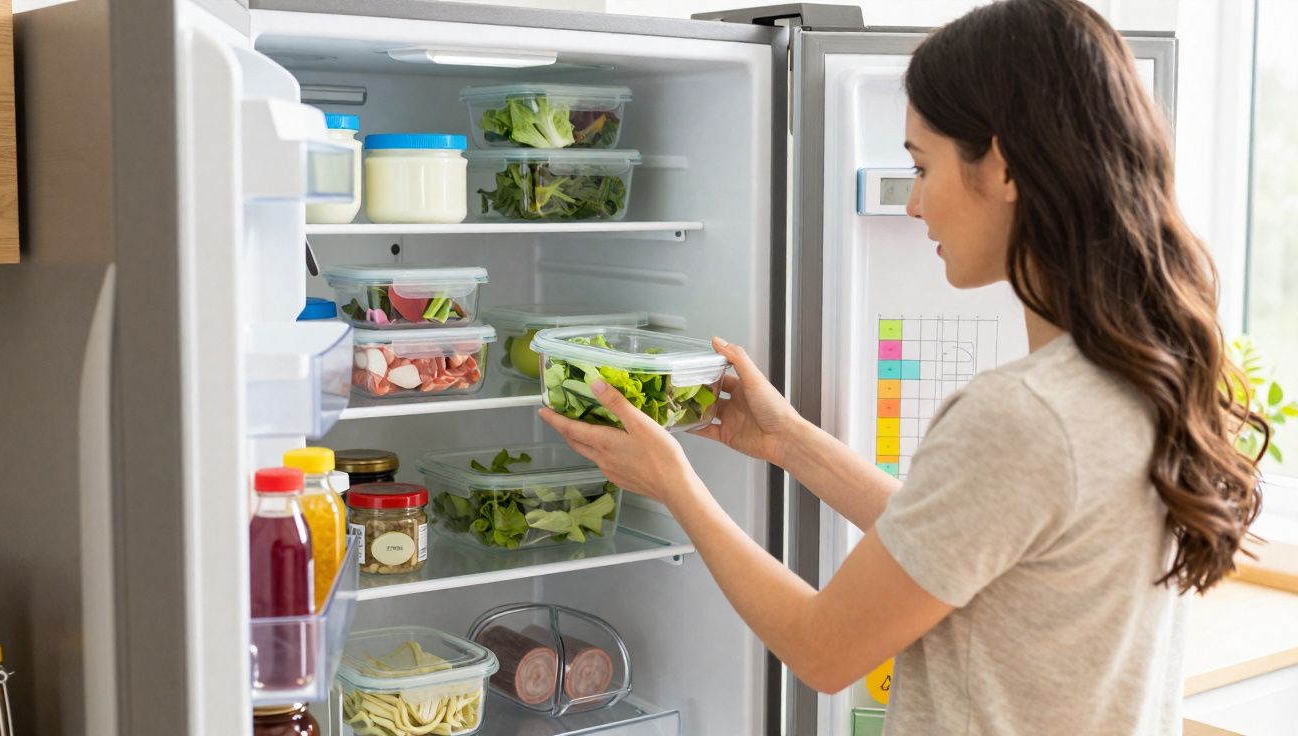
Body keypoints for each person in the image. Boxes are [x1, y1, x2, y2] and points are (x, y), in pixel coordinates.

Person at [540, 0, 1268, 732]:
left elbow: (823, 649)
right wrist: (789, 441)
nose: (914, 204)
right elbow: (968, 541)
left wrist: (675, 485)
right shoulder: (1144, 370)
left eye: (922, 167)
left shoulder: (1023, 413)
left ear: (1006, 165)